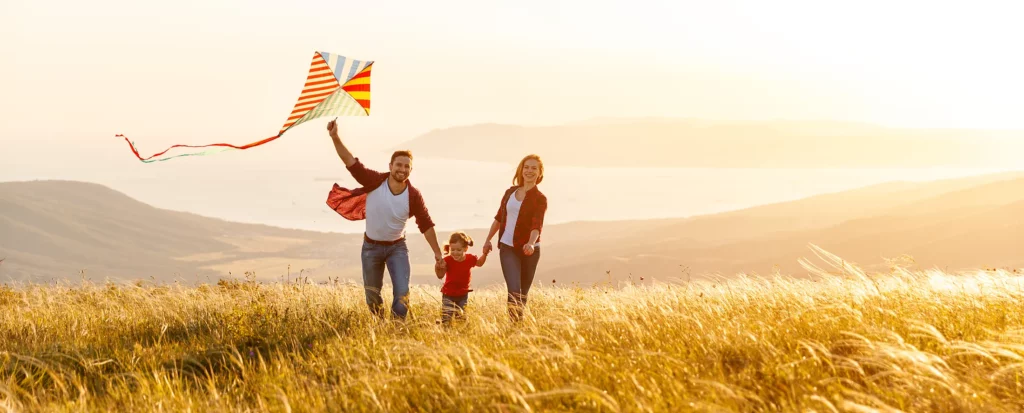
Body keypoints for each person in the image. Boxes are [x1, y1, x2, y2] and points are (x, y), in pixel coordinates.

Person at [324, 119, 445, 320]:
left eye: (407, 166)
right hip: (371, 248)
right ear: (390, 166)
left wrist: (438, 254)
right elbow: (350, 162)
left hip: (397, 248)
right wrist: (335, 136)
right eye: (399, 164)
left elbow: (426, 224)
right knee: (372, 294)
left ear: (411, 170)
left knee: (402, 292)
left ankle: (397, 328)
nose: (402, 169)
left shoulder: (413, 195)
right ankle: (379, 324)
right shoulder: (374, 181)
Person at [482, 154, 547, 322]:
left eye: (534, 168)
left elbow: (537, 224)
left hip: (530, 251)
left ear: (540, 173)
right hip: (507, 247)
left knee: (522, 294)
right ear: (521, 170)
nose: (529, 171)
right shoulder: (509, 192)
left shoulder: (540, 199)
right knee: (514, 290)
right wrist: (488, 239)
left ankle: (517, 328)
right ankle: (514, 326)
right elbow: (498, 218)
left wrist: (531, 243)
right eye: (526, 167)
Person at [434, 231, 488, 325]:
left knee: (461, 318)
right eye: (452, 250)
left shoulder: (470, 259)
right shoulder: (447, 260)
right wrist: (437, 267)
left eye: (458, 250)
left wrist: (485, 254)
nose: (455, 253)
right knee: (446, 317)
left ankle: (460, 335)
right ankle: (445, 333)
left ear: (465, 249)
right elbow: (440, 275)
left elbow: (479, 263)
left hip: (463, 294)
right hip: (448, 294)